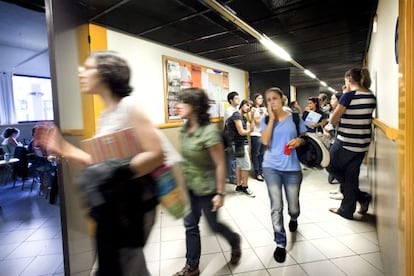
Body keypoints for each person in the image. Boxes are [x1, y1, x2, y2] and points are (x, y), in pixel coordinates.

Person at [34, 51, 163, 276]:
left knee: (127, 265)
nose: (81, 72)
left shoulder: (130, 107)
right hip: (114, 206)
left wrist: (118, 171)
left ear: (106, 73)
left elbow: (156, 154)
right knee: (121, 265)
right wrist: (63, 148)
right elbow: (100, 165)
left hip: (132, 206)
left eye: (88, 67)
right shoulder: (105, 115)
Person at [174, 88, 241, 276]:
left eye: (182, 102)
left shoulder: (209, 132)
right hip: (190, 187)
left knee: (213, 226)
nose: (177, 105)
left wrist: (220, 193)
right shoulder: (184, 129)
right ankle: (192, 266)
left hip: (208, 188)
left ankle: (234, 240)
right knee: (190, 225)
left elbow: (220, 164)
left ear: (194, 107)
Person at [260, 87, 307, 263]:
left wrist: (299, 141)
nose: (271, 102)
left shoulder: (294, 117)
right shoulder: (265, 119)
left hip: (292, 168)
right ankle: (280, 243)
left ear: (282, 100)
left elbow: (305, 137)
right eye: (268, 99)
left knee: (292, 205)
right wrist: (271, 119)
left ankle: (294, 217)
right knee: (276, 206)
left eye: (274, 98)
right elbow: (265, 141)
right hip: (271, 167)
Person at [328, 67, 376, 220]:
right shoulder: (371, 96)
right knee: (351, 176)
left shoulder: (348, 96)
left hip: (345, 142)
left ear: (349, 79)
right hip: (362, 144)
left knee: (329, 164)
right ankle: (347, 210)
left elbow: (333, 120)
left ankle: (361, 197)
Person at [229, 99, 255, 197]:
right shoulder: (237, 115)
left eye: (250, 107)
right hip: (239, 144)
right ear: (242, 104)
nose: (249, 108)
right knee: (246, 166)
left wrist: (252, 117)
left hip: (240, 143)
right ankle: (245, 186)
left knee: (239, 165)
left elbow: (251, 129)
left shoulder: (243, 117)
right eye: (247, 105)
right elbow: (241, 132)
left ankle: (239, 185)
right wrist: (247, 130)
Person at [223, 91, 240, 184]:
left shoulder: (236, 110)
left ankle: (236, 176)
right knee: (232, 158)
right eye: (236, 98)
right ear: (231, 100)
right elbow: (232, 124)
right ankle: (232, 177)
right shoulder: (229, 111)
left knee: (237, 158)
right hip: (231, 137)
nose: (238, 100)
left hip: (237, 137)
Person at [250, 93, 267, 181]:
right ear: (255, 99)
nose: (261, 100)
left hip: (263, 133)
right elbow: (257, 121)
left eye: (261, 98)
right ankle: (257, 172)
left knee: (262, 154)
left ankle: (261, 171)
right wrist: (263, 116)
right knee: (256, 154)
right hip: (255, 134)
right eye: (258, 98)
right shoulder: (252, 109)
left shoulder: (263, 109)